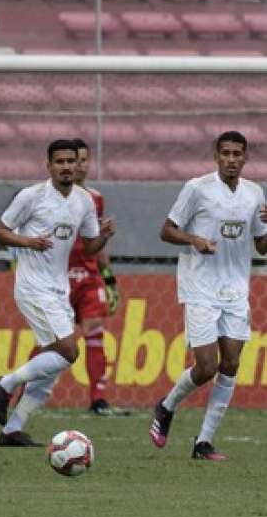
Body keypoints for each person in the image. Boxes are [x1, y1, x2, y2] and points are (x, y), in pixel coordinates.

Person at [0, 139, 115, 446]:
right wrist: (28, 243)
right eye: (60, 162)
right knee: (69, 351)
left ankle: (12, 430)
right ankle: (4, 384)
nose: (67, 167)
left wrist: (105, 237)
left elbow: (89, 245)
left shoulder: (83, 201)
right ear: (49, 166)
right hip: (33, 286)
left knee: (52, 365)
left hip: (59, 290)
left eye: (71, 161)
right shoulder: (32, 197)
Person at [149, 131, 267, 461]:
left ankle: (204, 442)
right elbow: (166, 230)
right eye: (225, 153)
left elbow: (261, 246)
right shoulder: (197, 188)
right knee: (206, 367)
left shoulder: (254, 194)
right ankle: (166, 405)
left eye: (237, 154)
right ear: (216, 156)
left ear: (245, 158)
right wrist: (194, 240)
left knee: (230, 363)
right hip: (200, 287)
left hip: (235, 289)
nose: (231, 159)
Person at [68, 139, 129, 417]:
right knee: (56, 343)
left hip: (89, 276)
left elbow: (98, 241)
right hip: (57, 278)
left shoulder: (95, 198)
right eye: (73, 160)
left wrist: (109, 277)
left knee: (95, 329)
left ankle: (98, 399)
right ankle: (16, 392)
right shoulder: (47, 198)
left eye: (83, 160)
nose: (79, 166)